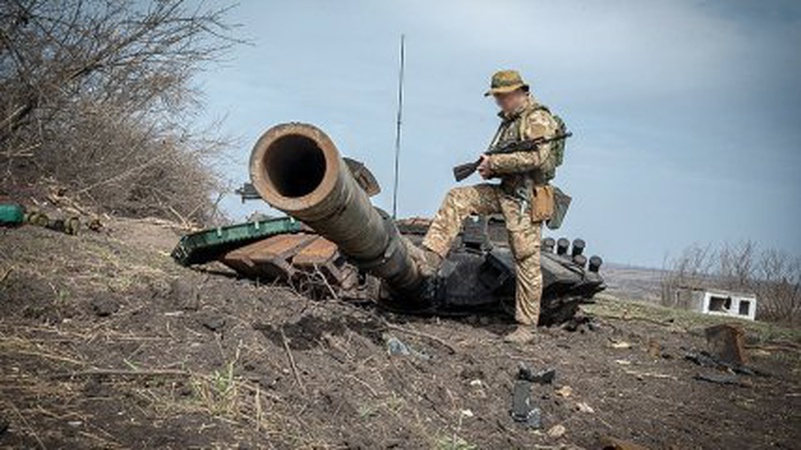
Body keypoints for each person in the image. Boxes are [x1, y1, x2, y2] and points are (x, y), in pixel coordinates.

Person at [411, 69, 563, 344]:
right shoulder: (509, 122)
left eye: (502, 96)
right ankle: (430, 258)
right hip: (505, 192)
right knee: (458, 197)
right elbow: (510, 161)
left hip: (527, 199)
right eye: (497, 97)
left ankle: (526, 327)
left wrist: (496, 163)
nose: (498, 101)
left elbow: (536, 158)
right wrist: (490, 169)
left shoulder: (538, 118)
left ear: (519, 92)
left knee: (526, 259)